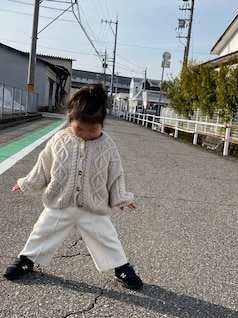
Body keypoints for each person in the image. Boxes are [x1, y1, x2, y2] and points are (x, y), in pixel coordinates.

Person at [3, 84, 143, 290]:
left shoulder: (108, 146)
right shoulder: (59, 140)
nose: (86, 134)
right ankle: (27, 260)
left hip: (93, 206)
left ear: (103, 124)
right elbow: (44, 165)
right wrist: (28, 183)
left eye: (93, 130)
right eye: (79, 129)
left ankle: (121, 267)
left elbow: (115, 174)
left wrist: (121, 197)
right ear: (70, 121)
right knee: (43, 230)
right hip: (60, 202)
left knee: (106, 237)